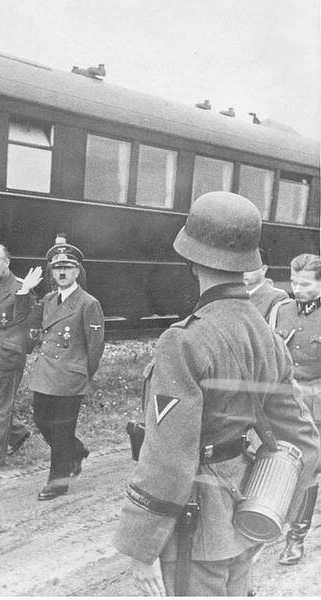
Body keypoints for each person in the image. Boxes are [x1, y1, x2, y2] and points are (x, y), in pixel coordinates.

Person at [113, 192, 319, 596]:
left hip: (196, 531)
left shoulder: (184, 341)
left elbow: (169, 457)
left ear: (191, 259)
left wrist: (142, 547)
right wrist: (272, 515)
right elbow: (305, 442)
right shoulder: (267, 335)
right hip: (244, 514)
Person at [29, 241, 105, 500]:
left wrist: (83, 375)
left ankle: (58, 481)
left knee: (61, 431)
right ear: (52, 272)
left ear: (77, 271)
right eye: (57, 268)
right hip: (46, 374)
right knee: (41, 419)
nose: (62, 272)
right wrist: (24, 291)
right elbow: (28, 320)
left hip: (70, 377)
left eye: (68, 267)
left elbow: (95, 347)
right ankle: (76, 450)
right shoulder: (49, 299)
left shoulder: (88, 303)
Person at [269, 253, 321, 566]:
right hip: (284, 401)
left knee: (309, 469)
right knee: (276, 463)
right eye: (293, 282)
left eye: (305, 284)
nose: (297, 290)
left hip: (317, 404)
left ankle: (296, 538)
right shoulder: (281, 310)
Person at [0, 243, 43, 472]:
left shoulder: (22, 288)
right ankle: (18, 434)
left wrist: (24, 292)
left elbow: (30, 323)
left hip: (5, 359)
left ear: (7, 262)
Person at [243, 248, 288, 319]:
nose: (243, 272)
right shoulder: (233, 294)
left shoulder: (278, 297)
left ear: (264, 269)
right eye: (240, 268)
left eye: (249, 268)